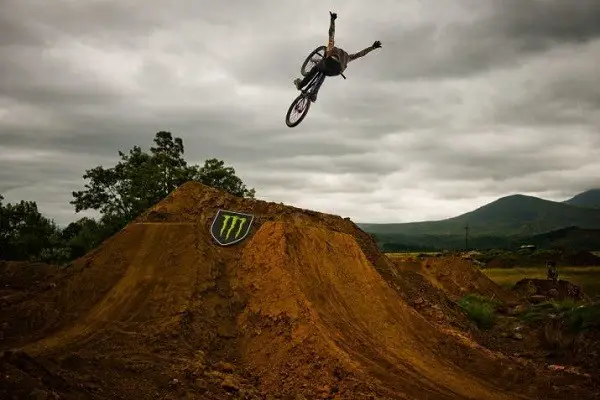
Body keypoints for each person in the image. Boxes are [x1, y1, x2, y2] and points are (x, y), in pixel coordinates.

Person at [293, 11, 382, 101]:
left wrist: (332, 20)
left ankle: (301, 85)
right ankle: (313, 94)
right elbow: (360, 54)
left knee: (316, 68)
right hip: (338, 70)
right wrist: (372, 47)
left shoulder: (331, 47)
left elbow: (331, 33)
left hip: (329, 63)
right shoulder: (347, 57)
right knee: (323, 73)